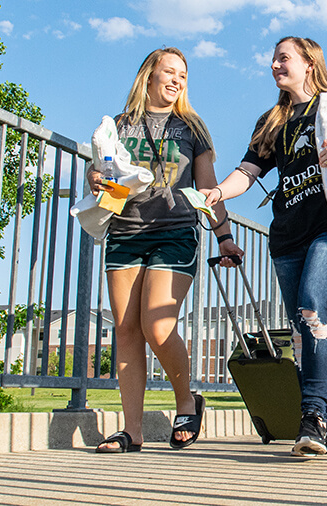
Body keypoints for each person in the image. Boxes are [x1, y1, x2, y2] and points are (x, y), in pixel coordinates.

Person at [201, 36, 327, 456]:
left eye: (283, 57)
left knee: (313, 308)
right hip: (286, 236)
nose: (274, 64)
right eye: (272, 59)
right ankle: (316, 412)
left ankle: (313, 415)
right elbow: (247, 172)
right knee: (304, 331)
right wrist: (218, 193)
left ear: (309, 63)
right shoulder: (271, 120)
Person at [91, 47, 243, 453]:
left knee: (157, 326)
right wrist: (95, 177)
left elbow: (209, 187)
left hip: (175, 231)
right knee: (125, 330)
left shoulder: (192, 128)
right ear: (149, 76)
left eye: (183, 75)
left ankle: (186, 401)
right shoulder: (120, 125)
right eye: (169, 73)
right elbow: (103, 170)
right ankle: (132, 431)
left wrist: (223, 235)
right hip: (125, 229)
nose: (176, 81)